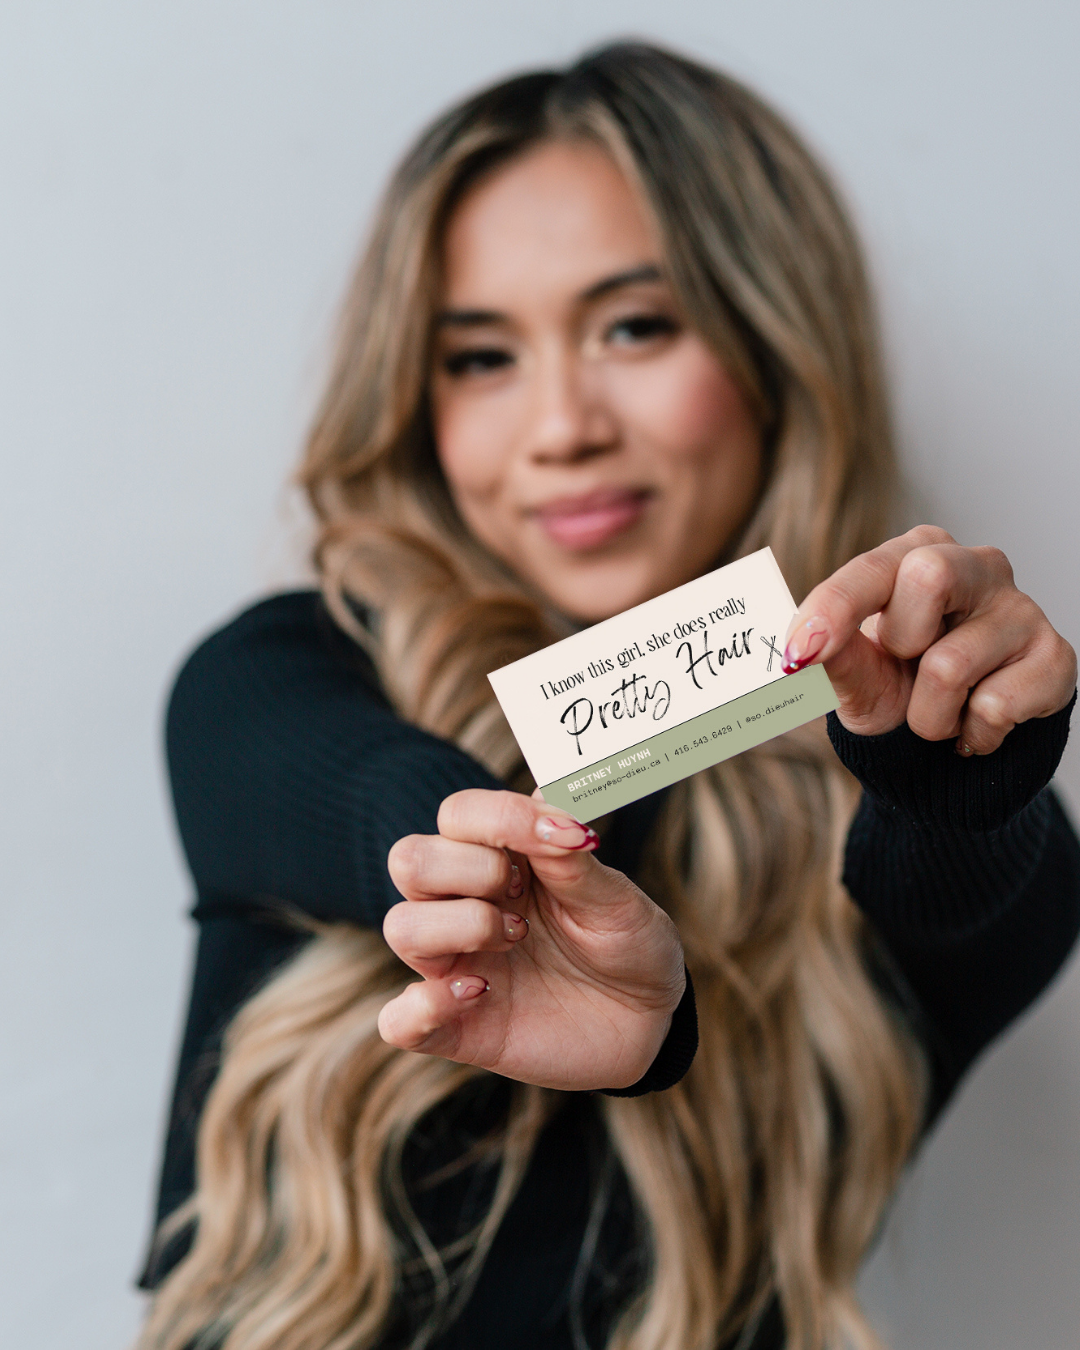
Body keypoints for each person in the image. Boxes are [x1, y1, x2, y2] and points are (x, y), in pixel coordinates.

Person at [136, 41, 1079, 1350]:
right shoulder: (289, 678)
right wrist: (482, 877)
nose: (561, 424)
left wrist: (951, 760)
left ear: (774, 352)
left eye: (635, 326)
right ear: (417, 400)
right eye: (480, 356)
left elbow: (984, 887)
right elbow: (360, 794)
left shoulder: (900, 827)